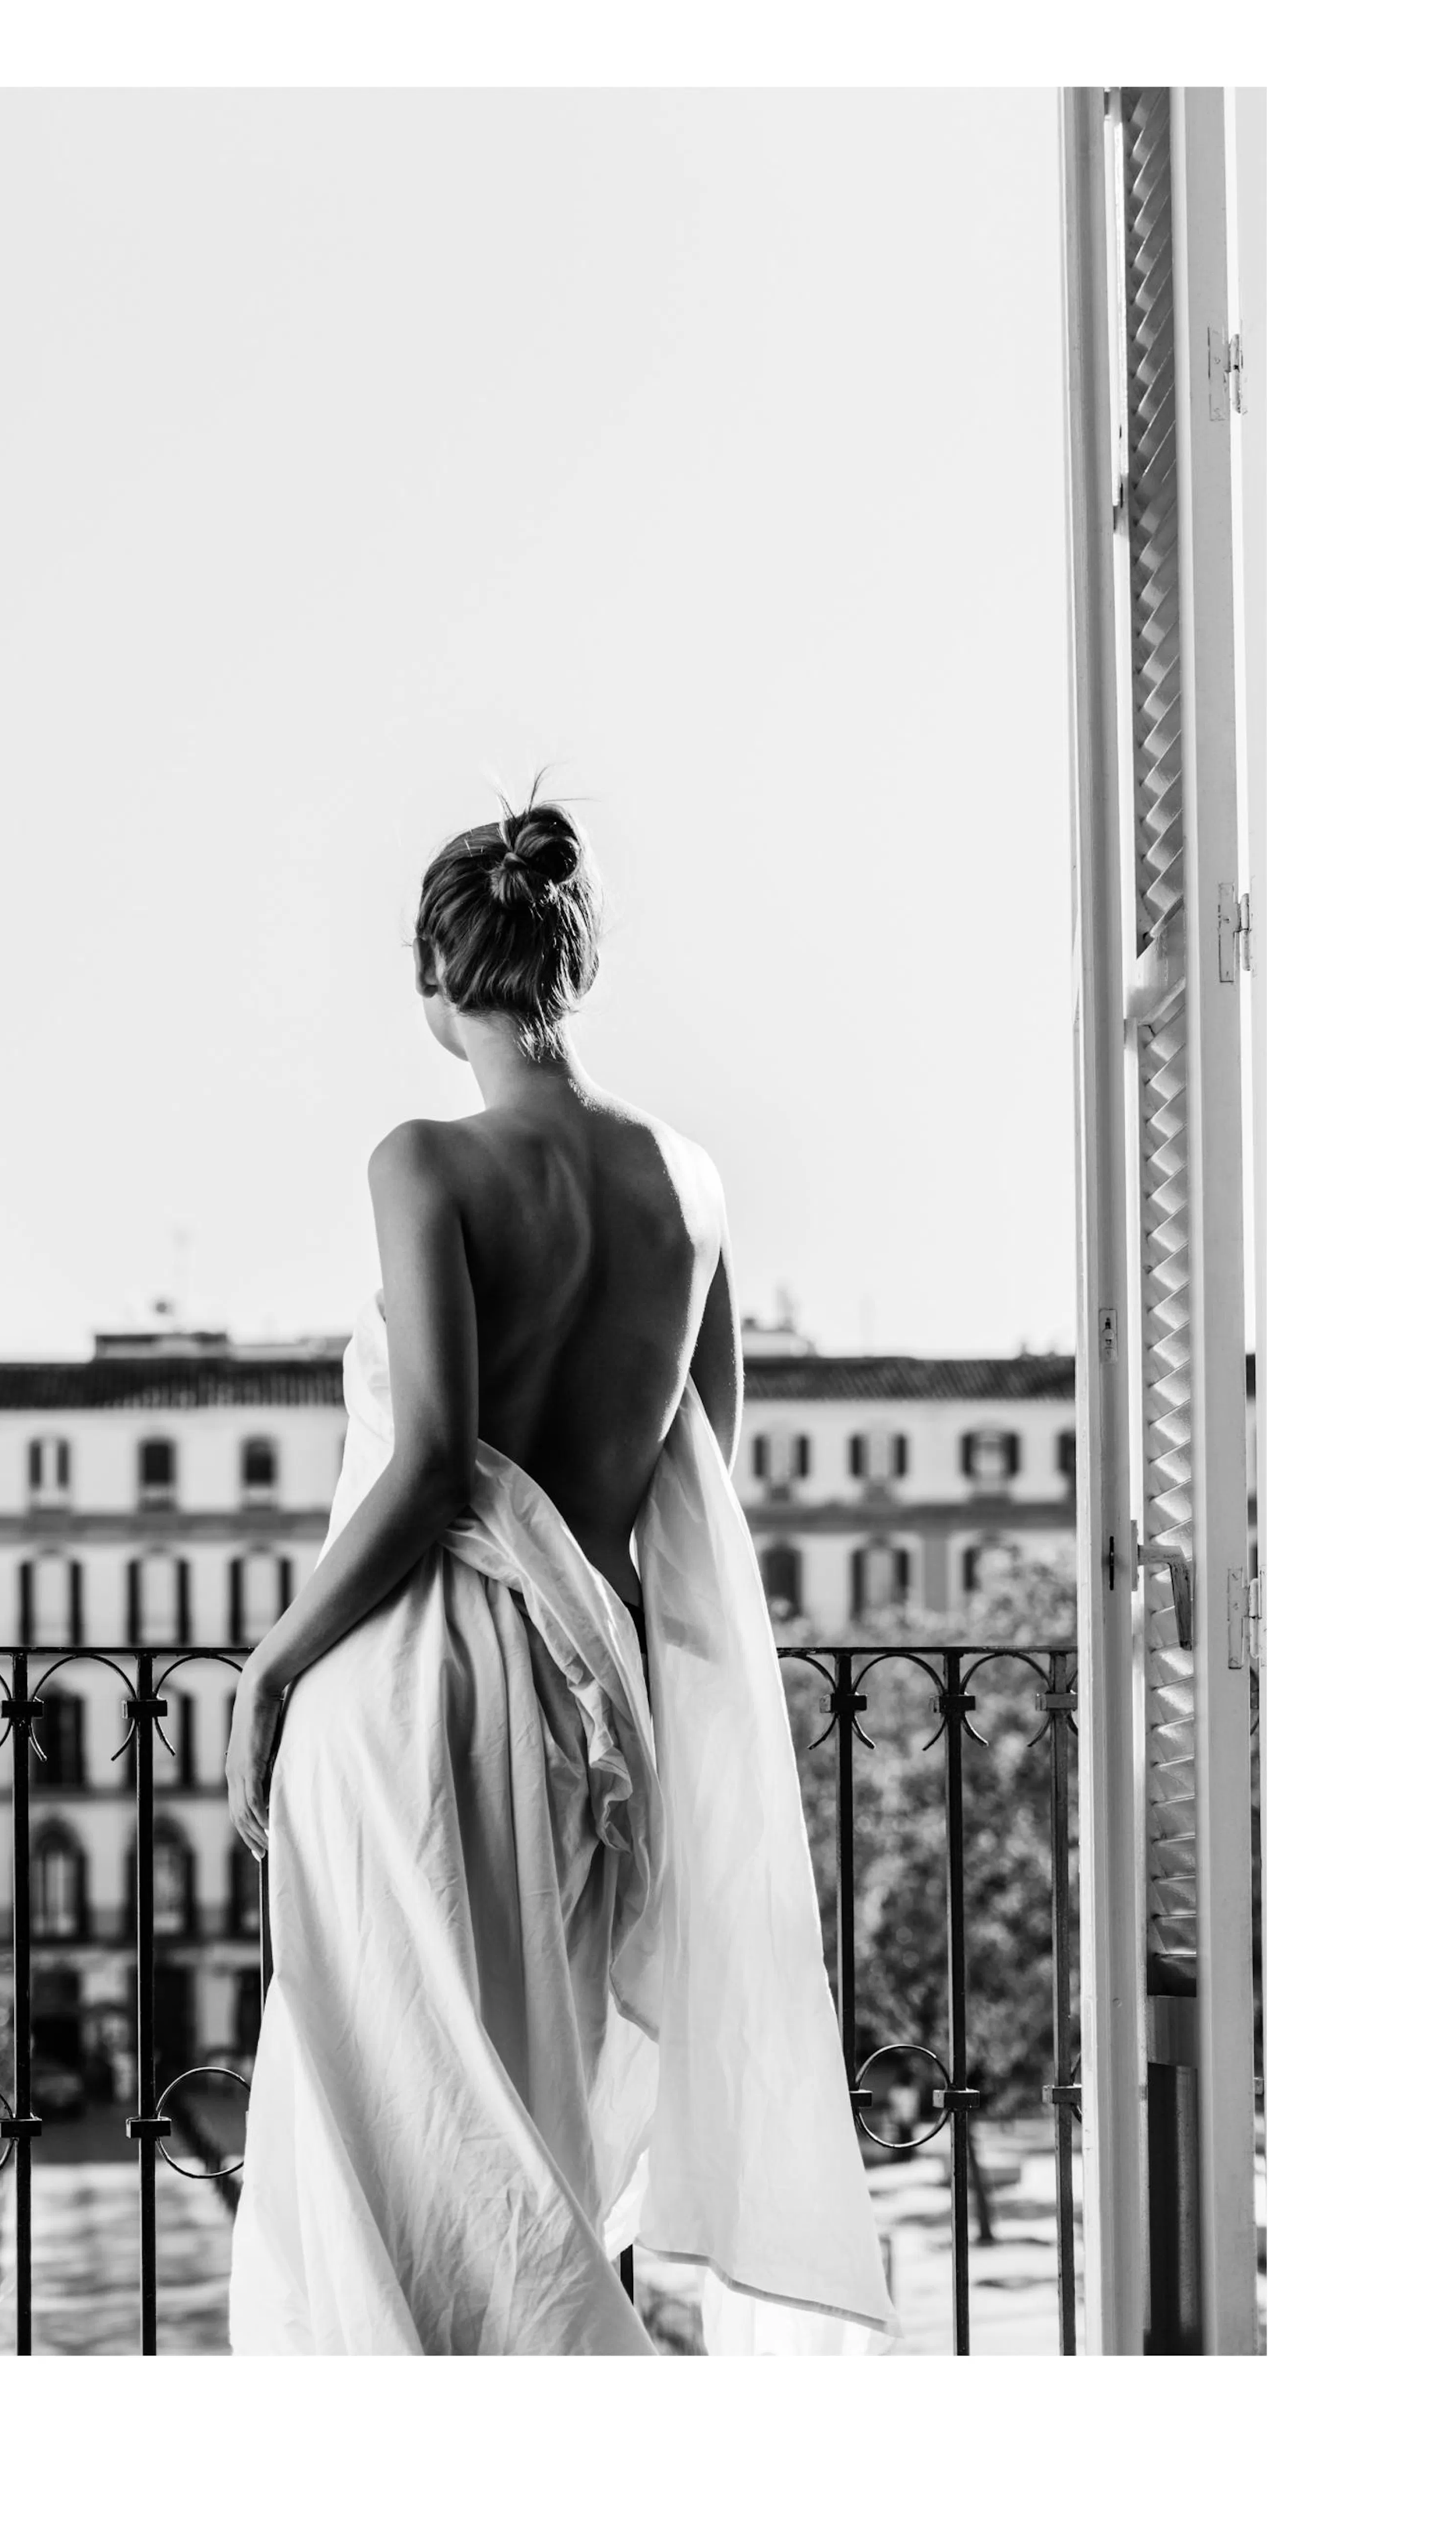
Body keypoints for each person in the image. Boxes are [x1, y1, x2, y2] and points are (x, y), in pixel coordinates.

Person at [224, 796, 897, 2355]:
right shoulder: (694, 1189)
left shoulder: (424, 1165)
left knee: (393, 2114)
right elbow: (701, 1462)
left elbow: (440, 1462)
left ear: (435, 976)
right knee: (531, 2107)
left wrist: (272, 1663)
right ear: (570, 967)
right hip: (592, 1705)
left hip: (415, 1684)